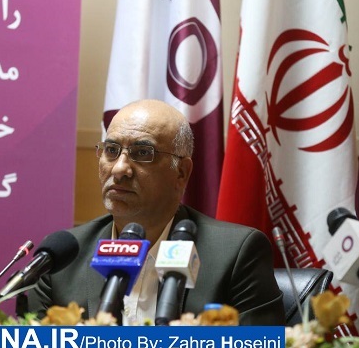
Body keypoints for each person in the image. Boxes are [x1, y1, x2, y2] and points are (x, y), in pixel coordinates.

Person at [28, 99, 284, 325]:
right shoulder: (61, 260)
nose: (119, 169)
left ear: (181, 173)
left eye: (142, 153)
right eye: (111, 150)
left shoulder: (235, 254)